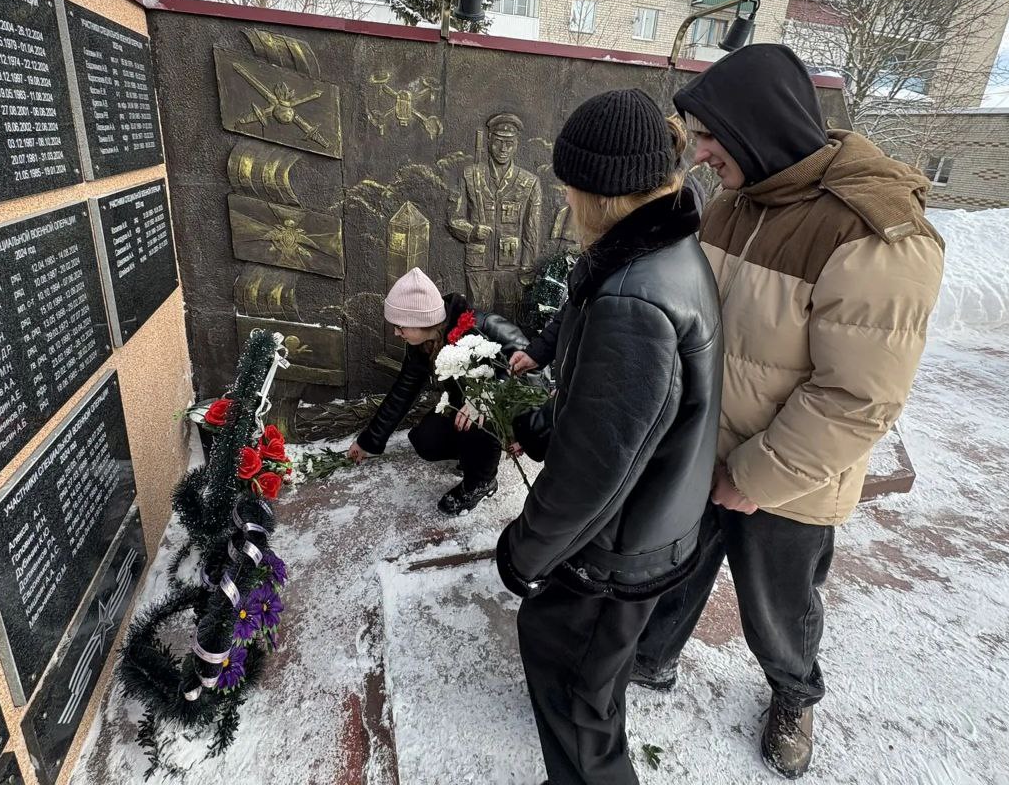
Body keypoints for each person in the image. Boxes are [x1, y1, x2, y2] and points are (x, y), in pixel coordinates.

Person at [632, 44, 945, 779]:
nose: (699, 154)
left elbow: (858, 397)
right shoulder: (739, 198)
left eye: (709, 137)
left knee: (778, 605)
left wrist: (755, 477)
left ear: (757, 128)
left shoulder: (874, 235)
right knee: (676, 566)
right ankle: (649, 656)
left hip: (788, 479)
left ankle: (794, 693)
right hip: (703, 445)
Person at [495, 88, 723, 785]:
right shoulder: (666, 251)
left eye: (568, 186)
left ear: (598, 193)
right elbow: (634, 417)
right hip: (654, 523)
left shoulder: (632, 297)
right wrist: (545, 423)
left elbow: (597, 470)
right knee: (595, 680)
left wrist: (525, 550)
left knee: (574, 690)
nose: (564, 199)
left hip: (616, 547)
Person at [347, 267, 531, 514]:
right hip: (462, 409)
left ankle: (482, 481)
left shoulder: (482, 325)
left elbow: (531, 367)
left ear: (421, 321)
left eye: (400, 326)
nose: (396, 332)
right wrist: (369, 441)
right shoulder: (422, 344)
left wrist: (488, 397)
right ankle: (473, 454)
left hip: (501, 410)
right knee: (425, 441)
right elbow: (404, 390)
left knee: (477, 419)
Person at [448, 113, 543, 321]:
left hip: (512, 268)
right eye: (499, 141)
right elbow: (454, 219)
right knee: (476, 322)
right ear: (489, 139)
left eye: (509, 143)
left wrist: (528, 268)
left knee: (509, 324)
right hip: (478, 266)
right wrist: (472, 231)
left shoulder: (529, 182)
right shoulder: (470, 175)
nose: (503, 149)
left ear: (517, 145)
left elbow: (532, 230)